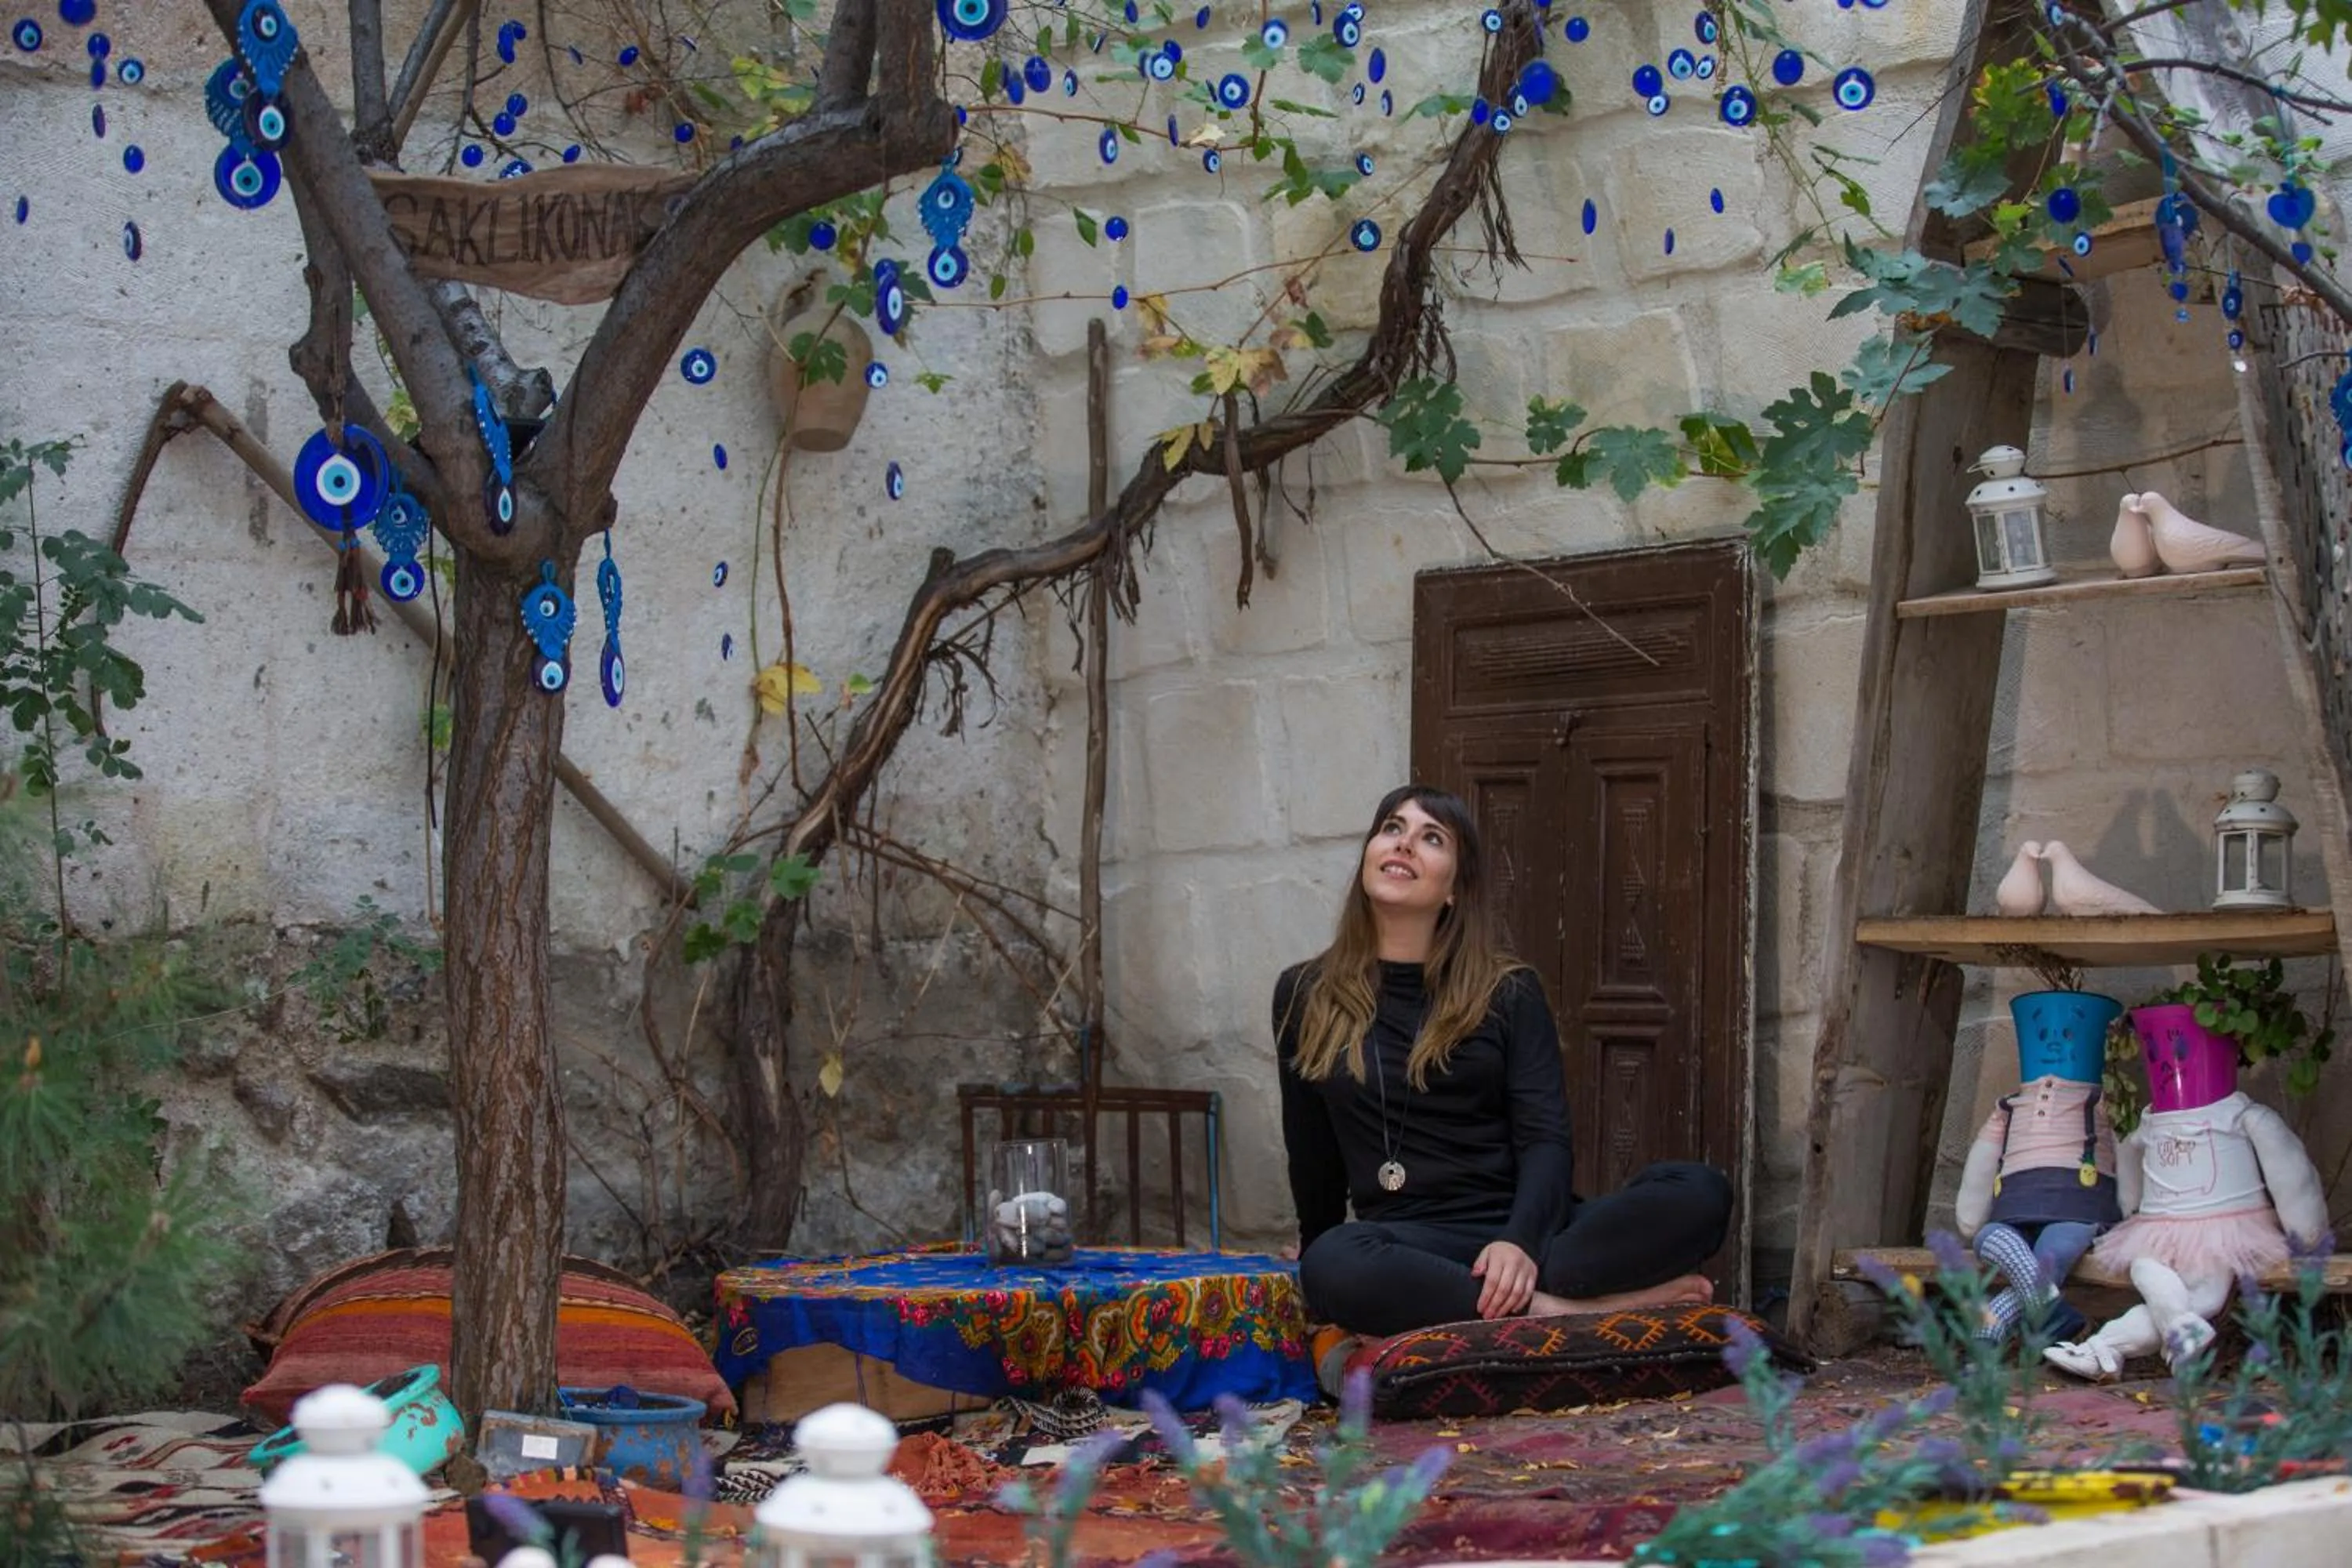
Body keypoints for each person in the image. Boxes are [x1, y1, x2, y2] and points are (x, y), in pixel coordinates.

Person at [1276, 783, 1734, 1340]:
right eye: (1392, 829)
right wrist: (1317, 1243)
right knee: (1334, 1261)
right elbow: (1312, 1151)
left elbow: (1545, 1139)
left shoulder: (1507, 993)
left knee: (1700, 1191)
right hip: (1413, 1243)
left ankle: (1502, 1296)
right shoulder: (1305, 993)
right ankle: (1560, 1312)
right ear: (1369, 855)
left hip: (1534, 1233)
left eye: (1431, 837)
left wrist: (1518, 1243)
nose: (1404, 846)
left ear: (1454, 888)